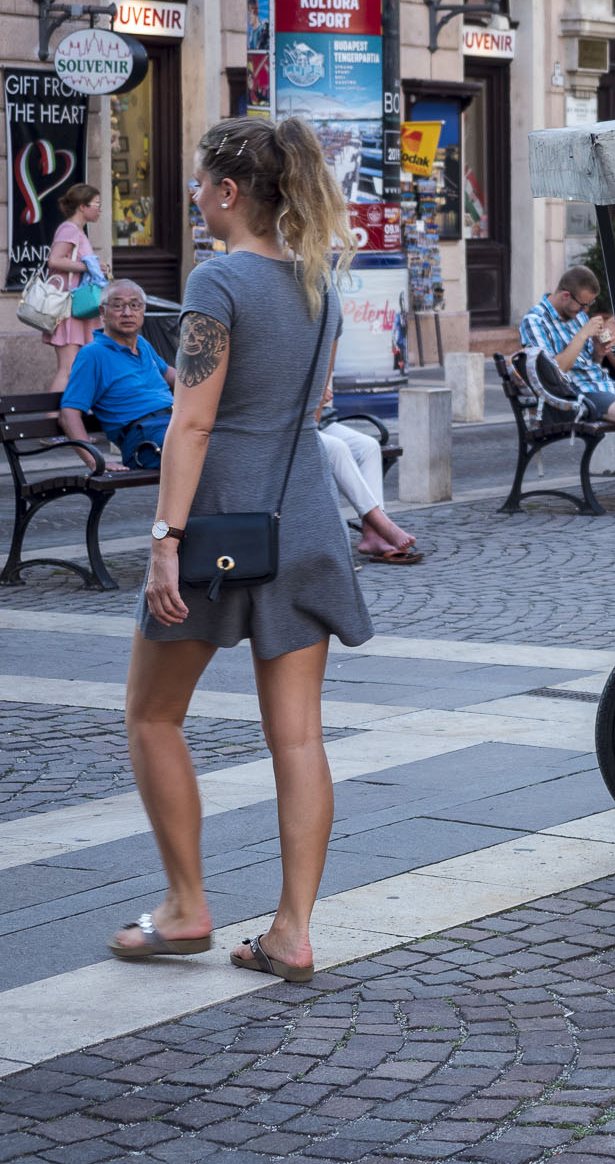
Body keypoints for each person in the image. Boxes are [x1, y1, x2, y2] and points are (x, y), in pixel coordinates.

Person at [109, 115, 375, 985]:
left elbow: (192, 423)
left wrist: (162, 542)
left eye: (197, 183)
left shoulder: (216, 282)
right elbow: (318, 396)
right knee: (297, 738)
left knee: (152, 715)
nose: (192, 196)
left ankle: (186, 906)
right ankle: (292, 931)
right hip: (303, 518)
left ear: (228, 193)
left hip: (220, 523)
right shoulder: (318, 285)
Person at [519, 266, 615, 490]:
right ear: (565, 295)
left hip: (602, 386)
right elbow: (554, 372)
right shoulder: (535, 321)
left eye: (588, 305)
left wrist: (598, 352)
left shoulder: (577, 314)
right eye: (583, 304)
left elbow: (587, 365)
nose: (585, 310)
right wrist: (582, 334)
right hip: (576, 396)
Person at [57, 280, 175, 471]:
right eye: (118, 306)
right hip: (144, 439)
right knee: (199, 451)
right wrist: (95, 461)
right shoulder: (92, 354)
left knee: (228, 441)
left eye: (135, 305)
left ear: (143, 310)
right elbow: (68, 414)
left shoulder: (142, 344)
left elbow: (170, 374)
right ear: (102, 312)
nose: (127, 313)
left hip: (173, 423)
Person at [314, 383, 419, 564]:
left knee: (368, 446)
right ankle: (380, 523)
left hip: (320, 420)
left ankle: (372, 534)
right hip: (292, 426)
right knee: (337, 449)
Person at [44, 183, 107, 391]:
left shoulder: (76, 230)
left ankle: (69, 414)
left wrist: (95, 267)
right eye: (96, 204)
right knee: (68, 368)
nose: (99, 209)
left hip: (77, 308)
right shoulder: (69, 229)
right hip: (69, 308)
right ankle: (51, 418)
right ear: (82, 206)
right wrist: (87, 266)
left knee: (76, 368)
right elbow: (54, 260)